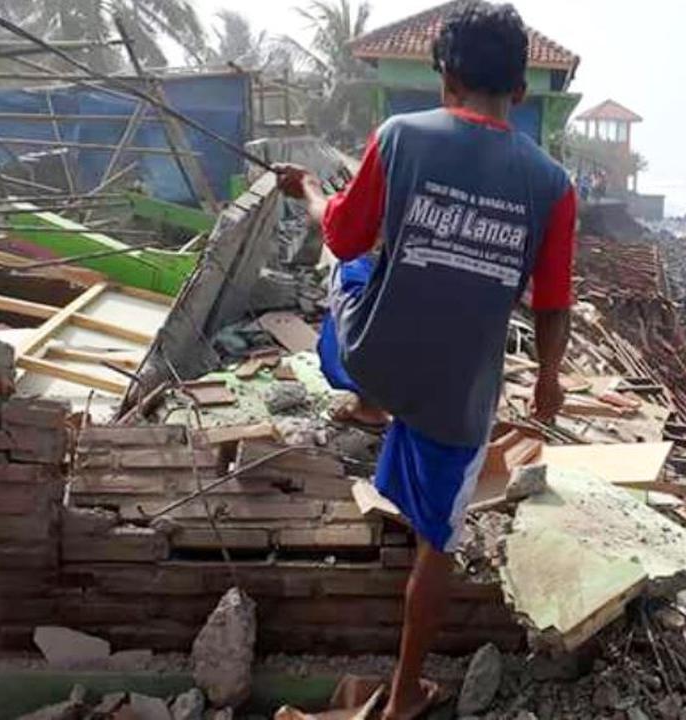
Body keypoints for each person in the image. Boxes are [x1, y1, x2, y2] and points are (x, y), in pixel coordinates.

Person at [275, 3, 576, 718]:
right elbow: (552, 304)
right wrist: (550, 381)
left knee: (346, 276)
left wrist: (311, 192)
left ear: (446, 78)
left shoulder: (398, 136)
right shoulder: (553, 185)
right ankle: (405, 697)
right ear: (521, 93)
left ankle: (368, 400)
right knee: (438, 543)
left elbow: (345, 240)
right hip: (455, 398)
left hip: (370, 358)